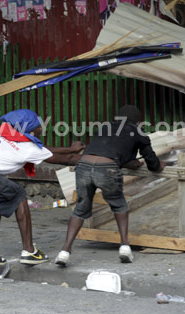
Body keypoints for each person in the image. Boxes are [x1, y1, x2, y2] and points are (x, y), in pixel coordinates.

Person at [0, 109, 84, 266]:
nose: (42, 128)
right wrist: (97, 157)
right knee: (19, 195)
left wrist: (71, 148)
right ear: (32, 130)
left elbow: (44, 150)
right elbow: (67, 159)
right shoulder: (27, 149)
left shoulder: (5, 138)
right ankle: (29, 251)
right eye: (39, 125)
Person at [55, 105, 165, 266]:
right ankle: (125, 247)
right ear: (139, 122)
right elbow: (152, 164)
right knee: (119, 205)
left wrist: (126, 162)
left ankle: (64, 251)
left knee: (80, 209)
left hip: (83, 165)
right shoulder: (139, 133)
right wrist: (159, 165)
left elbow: (107, 150)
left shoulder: (104, 127)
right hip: (107, 170)